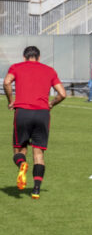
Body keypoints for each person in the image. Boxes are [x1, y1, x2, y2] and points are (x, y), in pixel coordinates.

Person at [3, 46, 66, 199]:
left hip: (23, 112)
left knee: (19, 149)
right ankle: (36, 190)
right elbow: (62, 94)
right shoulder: (49, 70)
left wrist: (11, 101)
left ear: (24, 57)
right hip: (42, 114)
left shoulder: (17, 67)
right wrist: (51, 104)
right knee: (38, 153)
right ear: (39, 57)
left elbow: (6, 82)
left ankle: (22, 165)